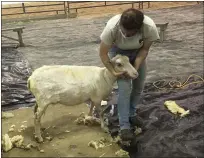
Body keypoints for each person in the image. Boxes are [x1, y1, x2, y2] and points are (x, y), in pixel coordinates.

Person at [99, 8, 160, 141]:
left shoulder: (149, 27)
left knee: (139, 85)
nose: (126, 35)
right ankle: (124, 126)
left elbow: (144, 49)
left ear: (138, 29)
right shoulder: (111, 28)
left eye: (130, 33)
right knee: (124, 89)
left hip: (137, 53)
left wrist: (135, 68)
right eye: (124, 31)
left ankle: (131, 114)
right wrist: (114, 71)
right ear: (120, 24)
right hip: (118, 54)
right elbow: (103, 54)